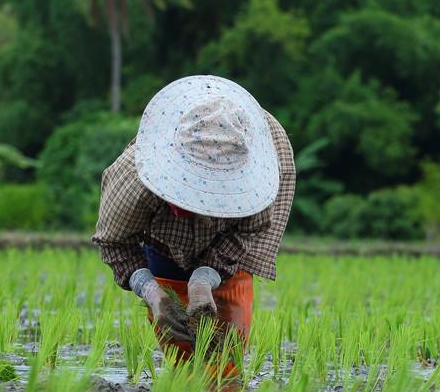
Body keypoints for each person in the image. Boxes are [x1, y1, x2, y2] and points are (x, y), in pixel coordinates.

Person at [92, 75, 295, 369]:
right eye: (183, 192)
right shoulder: (134, 179)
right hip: (164, 238)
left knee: (227, 353)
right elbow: (114, 242)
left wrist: (203, 281)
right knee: (179, 343)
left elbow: (248, 233)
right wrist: (151, 291)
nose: (192, 204)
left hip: (233, 232)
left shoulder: (261, 178)